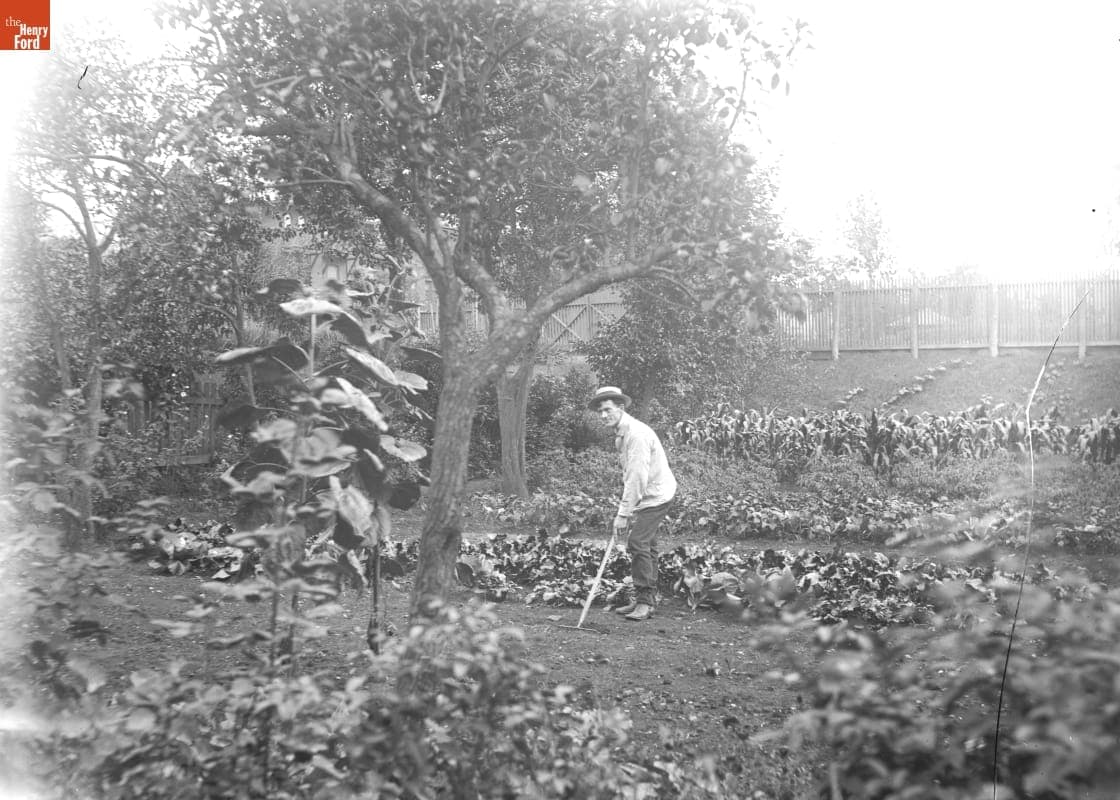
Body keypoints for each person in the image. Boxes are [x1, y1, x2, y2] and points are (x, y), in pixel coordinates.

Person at [587, 386, 677, 621]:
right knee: (647, 544)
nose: (604, 415)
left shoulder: (636, 434)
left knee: (637, 543)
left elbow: (637, 478)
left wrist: (623, 514)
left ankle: (645, 602)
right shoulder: (622, 432)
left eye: (608, 409)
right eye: (600, 411)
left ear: (621, 408)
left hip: (657, 495)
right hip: (648, 493)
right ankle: (646, 599)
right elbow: (631, 475)